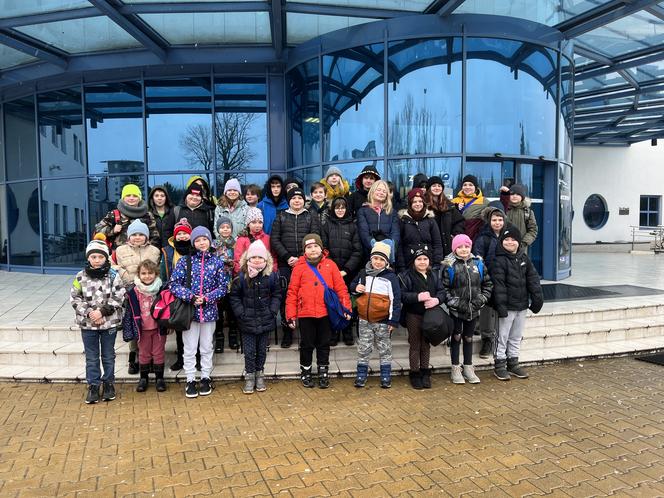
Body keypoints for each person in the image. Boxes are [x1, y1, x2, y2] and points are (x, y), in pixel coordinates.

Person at [169, 226, 230, 398]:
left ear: (209, 241)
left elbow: (223, 286)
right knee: (189, 348)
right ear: (193, 242)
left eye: (204, 239)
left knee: (206, 347)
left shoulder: (217, 262)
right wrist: (191, 296)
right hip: (190, 312)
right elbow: (174, 284)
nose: (201, 242)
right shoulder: (184, 261)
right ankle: (190, 379)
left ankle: (205, 377)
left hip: (209, 312)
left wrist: (208, 298)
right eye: (198, 240)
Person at [285, 234, 351, 389]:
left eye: (315, 246)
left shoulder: (330, 265)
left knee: (324, 343)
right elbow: (292, 292)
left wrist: (346, 307)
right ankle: (306, 371)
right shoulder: (298, 268)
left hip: (325, 312)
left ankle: (323, 371)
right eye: (309, 247)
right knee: (306, 344)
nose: (313, 250)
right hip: (306, 312)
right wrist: (290, 315)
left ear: (321, 248)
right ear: (304, 251)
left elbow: (341, 288)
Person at [70, 240, 126, 404]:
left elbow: (120, 295)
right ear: (88, 258)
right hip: (88, 325)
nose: (96, 260)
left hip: (109, 323)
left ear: (106, 258)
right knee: (92, 357)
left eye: (100, 257)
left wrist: (102, 312)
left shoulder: (113, 276)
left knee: (108, 356)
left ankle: (108, 384)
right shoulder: (80, 276)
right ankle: (93, 385)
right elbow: (75, 298)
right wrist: (90, 313)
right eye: (93, 257)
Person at [490, 227, 543, 381]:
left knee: (516, 336)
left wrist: (537, 299)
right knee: (502, 336)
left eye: (513, 239)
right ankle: (499, 364)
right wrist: (501, 307)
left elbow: (533, 280)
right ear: (501, 242)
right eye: (506, 239)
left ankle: (513, 362)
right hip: (506, 307)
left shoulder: (524, 258)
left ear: (519, 242)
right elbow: (498, 286)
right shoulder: (498, 260)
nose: (510, 242)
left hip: (522, 306)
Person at [271, 187, 321, 348]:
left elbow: (315, 238)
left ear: (304, 200)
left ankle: (307, 333)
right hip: (286, 264)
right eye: (293, 198)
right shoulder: (281, 216)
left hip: (307, 263)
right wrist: (287, 257)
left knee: (307, 296)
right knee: (287, 297)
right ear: (289, 200)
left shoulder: (311, 216)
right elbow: (275, 239)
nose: (297, 201)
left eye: (299, 198)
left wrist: (302, 258)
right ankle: (287, 331)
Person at [230, 240, 282, 394]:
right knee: (249, 351)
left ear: (266, 260)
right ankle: (250, 376)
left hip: (265, 319)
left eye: (260, 257)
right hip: (247, 321)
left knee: (261, 351)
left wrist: (272, 311)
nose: (257, 260)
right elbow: (234, 297)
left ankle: (260, 374)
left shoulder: (271, 276)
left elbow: (277, 295)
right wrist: (241, 313)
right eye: (254, 257)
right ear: (248, 259)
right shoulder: (241, 277)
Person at [442, 234, 493, 385]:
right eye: (460, 247)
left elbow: (488, 285)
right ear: (454, 248)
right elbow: (445, 289)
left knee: (469, 338)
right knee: (456, 337)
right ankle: (455, 368)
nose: (463, 249)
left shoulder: (478, 263)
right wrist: (457, 303)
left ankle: (469, 367)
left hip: (474, 309)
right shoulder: (449, 265)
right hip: (457, 310)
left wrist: (481, 300)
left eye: (466, 246)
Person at [350, 241, 401, 389]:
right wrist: (356, 287)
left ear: (386, 262)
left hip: (383, 321)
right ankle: (361, 374)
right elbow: (352, 287)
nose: (377, 262)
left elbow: (395, 300)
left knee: (384, 348)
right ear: (371, 259)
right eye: (375, 259)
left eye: (381, 260)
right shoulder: (363, 273)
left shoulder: (390, 278)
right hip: (364, 320)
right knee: (363, 348)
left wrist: (393, 321)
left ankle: (385, 375)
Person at [113, 219, 161, 375]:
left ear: (146, 236)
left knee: (151, 324)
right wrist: (124, 274)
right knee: (135, 324)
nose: (138, 237)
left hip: (151, 292)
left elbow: (157, 269)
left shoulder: (154, 250)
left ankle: (153, 358)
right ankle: (133, 358)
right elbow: (114, 265)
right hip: (131, 292)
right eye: (134, 234)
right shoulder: (120, 250)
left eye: (141, 234)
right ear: (129, 236)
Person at [398, 246, 446, 389]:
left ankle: (425, 372)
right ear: (414, 261)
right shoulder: (407, 276)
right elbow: (402, 295)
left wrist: (437, 300)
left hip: (430, 316)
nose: (422, 262)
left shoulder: (433, 275)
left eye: (425, 259)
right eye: (419, 259)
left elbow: (442, 291)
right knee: (415, 344)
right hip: (413, 315)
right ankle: (414, 373)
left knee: (426, 345)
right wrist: (417, 297)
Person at [320, 196, 363, 346]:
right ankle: (334, 331)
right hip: (330, 271)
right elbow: (324, 249)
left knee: (348, 301)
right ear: (333, 209)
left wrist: (345, 269)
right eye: (337, 207)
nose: (340, 210)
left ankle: (347, 330)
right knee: (332, 301)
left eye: (342, 207)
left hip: (348, 272)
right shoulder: (326, 225)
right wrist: (333, 269)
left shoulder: (352, 226)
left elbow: (358, 251)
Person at [122, 260, 167, 392]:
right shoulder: (134, 291)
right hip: (142, 329)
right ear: (139, 274)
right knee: (144, 353)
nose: (147, 276)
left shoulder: (162, 289)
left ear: (156, 273)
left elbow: (168, 309)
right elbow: (129, 312)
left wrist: (168, 324)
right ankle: (143, 378)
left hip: (158, 328)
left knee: (158, 353)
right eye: (144, 273)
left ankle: (160, 379)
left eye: (150, 273)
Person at [473, 206, 509, 359]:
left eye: (500, 220)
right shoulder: (483, 238)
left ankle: (502, 341)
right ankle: (487, 339)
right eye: (494, 220)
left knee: (504, 309)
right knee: (487, 310)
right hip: (488, 279)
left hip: (506, 279)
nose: (497, 222)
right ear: (489, 221)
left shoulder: (509, 236)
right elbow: (478, 259)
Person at [159, 218, 192, 372]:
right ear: (175, 236)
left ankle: (196, 357)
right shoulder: (168, 251)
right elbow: (164, 275)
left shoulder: (196, 248)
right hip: (176, 294)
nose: (183, 237)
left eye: (186, 234)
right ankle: (181, 358)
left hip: (194, 294)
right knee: (180, 328)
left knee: (194, 328)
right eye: (180, 234)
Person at [94, 183, 160, 250]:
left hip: (142, 256)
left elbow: (155, 236)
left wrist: (150, 251)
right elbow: (98, 230)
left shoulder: (147, 215)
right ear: (123, 198)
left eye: (135, 196)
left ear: (139, 198)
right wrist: (112, 230)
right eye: (128, 195)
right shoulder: (114, 214)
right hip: (120, 256)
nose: (131, 198)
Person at [397, 188, 444, 272]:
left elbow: (437, 243)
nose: (418, 204)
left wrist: (436, 264)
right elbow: (399, 245)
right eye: (414, 202)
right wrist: (401, 266)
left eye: (420, 201)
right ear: (410, 203)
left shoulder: (430, 220)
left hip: (428, 265)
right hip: (409, 265)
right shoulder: (403, 221)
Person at [356, 180, 400, 260]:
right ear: (372, 191)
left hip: (388, 254)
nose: (381, 193)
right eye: (378, 190)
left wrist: (389, 248)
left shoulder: (392, 212)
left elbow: (395, 233)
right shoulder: (363, 211)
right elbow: (364, 233)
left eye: (384, 191)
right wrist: (377, 248)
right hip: (368, 254)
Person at [424, 176, 465, 257]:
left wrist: (454, 234)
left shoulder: (449, 205)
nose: (437, 188)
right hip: (430, 244)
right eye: (434, 186)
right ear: (429, 188)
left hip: (447, 244)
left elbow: (460, 221)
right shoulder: (423, 204)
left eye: (439, 186)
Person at [214, 216, 237, 352]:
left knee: (232, 310)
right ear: (218, 230)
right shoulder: (214, 244)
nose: (225, 229)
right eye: (222, 227)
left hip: (232, 281)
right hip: (218, 283)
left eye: (228, 227)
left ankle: (233, 336)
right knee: (219, 311)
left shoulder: (236, 243)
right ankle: (219, 338)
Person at [233, 207, 277, 275]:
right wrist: (244, 274)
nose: (257, 225)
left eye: (260, 222)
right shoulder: (242, 239)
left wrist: (272, 271)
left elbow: (272, 257)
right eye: (253, 222)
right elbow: (237, 260)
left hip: (265, 274)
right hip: (247, 275)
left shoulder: (267, 238)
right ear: (248, 224)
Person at [498, 184, 539, 254]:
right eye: (512, 194)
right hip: (502, 247)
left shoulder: (527, 212)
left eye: (518, 194)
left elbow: (533, 230)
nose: (514, 196)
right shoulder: (503, 209)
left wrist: (523, 243)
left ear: (522, 197)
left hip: (520, 250)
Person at [452, 175, 489, 241]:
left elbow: (497, 212)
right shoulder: (454, 201)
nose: (467, 187)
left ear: (476, 187)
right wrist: (455, 207)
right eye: (465, 185)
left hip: (474, 238)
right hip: (458, 238)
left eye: (470, 185)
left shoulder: (484, 201)